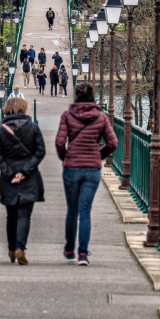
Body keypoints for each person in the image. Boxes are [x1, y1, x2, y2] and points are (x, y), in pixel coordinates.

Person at [55, 81, 117, 265]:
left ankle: (69, 249)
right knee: (85, 211)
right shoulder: (101, 117)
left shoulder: (67, 115)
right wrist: (99, 155)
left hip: (71, 167)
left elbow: (59, 142)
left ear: (75, 96)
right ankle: (83, 254)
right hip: (92, 169)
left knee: (72, 211)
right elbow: (113, 143)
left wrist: (65, 157)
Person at [0, 95, 45, 265]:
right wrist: (25, 171)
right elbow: (40, 152)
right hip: (29, 177)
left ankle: (11, 249)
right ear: (23, 109)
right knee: (25, 214)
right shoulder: (33, 127)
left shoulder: (1, 130)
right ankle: (20, 247)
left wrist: (9, 173)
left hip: (9, 178)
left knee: (11, 215)